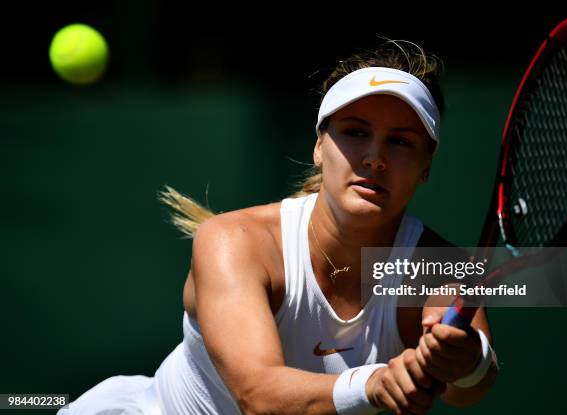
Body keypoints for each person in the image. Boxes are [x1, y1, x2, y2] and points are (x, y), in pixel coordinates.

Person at [59, 40, 497, 415]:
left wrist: (465, 359)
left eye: (401, 141)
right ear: (319, 147)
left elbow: (472, 384)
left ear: (425, 168)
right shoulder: (235, 242)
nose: (375, 157)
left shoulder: (440, 269)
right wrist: (375, 383)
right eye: (355, 132)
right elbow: (258, 396)